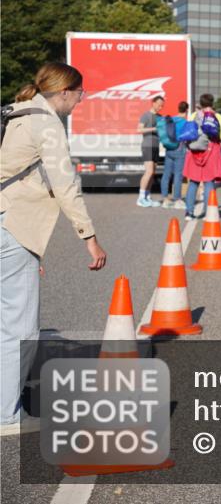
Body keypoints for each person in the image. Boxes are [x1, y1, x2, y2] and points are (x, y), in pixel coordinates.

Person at [1, 62, 108, 431]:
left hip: (9, 225)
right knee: (20, 325)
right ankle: (6, 415)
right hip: (10, 225)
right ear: (65, 92)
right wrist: (89, 239)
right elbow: (65, 186)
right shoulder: (46, 123)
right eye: (80, 93)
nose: (81, 100)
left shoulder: (13, 111)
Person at [182, 93, 221, 221]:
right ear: (212, 103)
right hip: (211, 151)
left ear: (200, 103)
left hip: (195, 151)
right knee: (209, 182)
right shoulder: (217, 116)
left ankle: (189, 213)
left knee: (194, 182)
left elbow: (188, 132)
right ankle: (208, 212)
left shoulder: (194, 115)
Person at [159, 101, 189, 209]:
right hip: (179, 149)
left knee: (166, 174)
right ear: (186, 110)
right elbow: (187, 137)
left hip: (169, 149)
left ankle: (165, 199)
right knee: (178, 175)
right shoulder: (185, 122)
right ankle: (177, 199)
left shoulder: (171, 119)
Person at [136, 95, 164, 207]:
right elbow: (139, 129)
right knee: (148, 171)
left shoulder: (160, 117)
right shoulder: (146, 115)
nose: (160, 107)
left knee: (152, 173)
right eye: (159, 104)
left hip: (155, 146)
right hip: (147, 145)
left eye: (162, 106)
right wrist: (153, 129)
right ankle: (141, 198)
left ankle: (147, 197)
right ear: (153, 103)